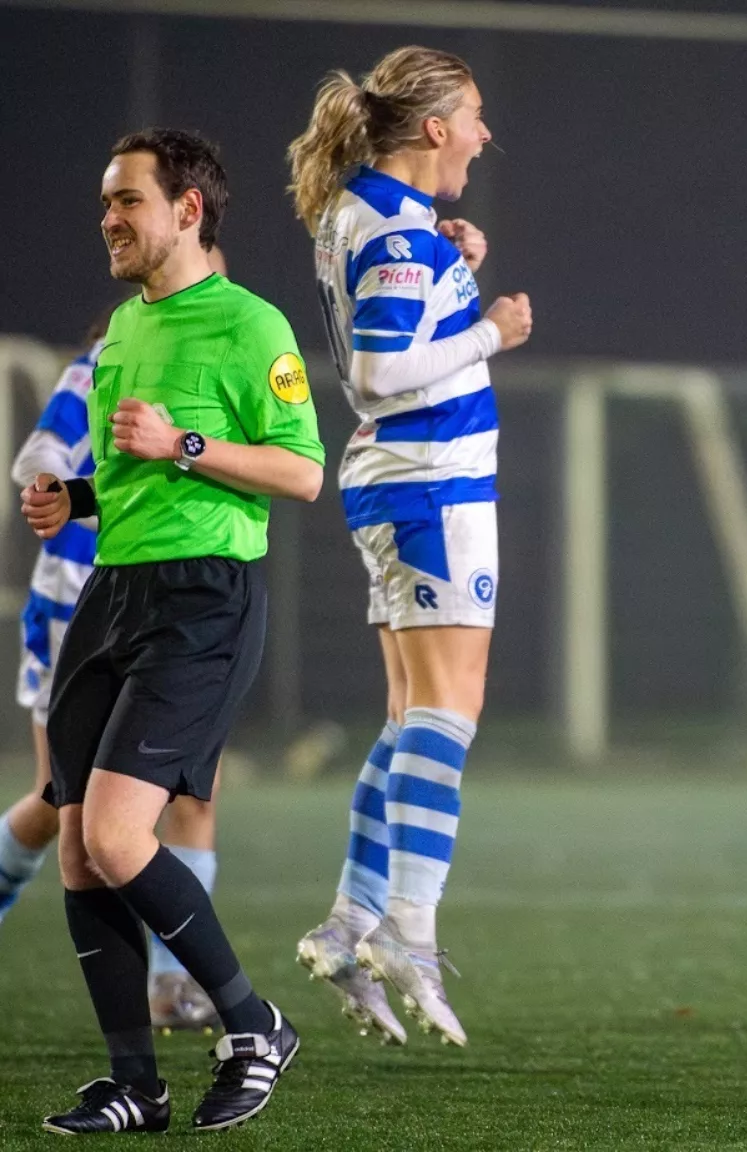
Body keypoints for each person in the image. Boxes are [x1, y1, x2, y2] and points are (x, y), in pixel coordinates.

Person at [20, 128, 324, 1133]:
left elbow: (302, 472)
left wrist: (186, 441)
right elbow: (142, 475)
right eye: (106, 201)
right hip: (112, 594)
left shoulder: (250, 325)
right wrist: (81, 496)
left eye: (127, 202)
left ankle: (254, 1023)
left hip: (205, 601)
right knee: (76, 846)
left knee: (116, 835)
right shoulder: (124, 329)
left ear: (187, 211)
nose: (109, 218)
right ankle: (134, 1085)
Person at [287, 45, 532, 1048]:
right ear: (433, 128)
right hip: (429, 481)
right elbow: (386, 374)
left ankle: (351, 921)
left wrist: (452, 264)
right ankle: (410, 933)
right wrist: (492, 333)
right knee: (449, 713)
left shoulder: (377, 214)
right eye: (472, 115)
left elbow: (393, 307)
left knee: (410, 714)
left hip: (410, 480)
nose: (483, 133)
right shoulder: (395, 227)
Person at [6, 276, 233, 1037]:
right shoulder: (108, 359)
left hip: (176, 608)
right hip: (79, 607)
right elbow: (41, 446)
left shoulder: (216, 361)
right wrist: (54, 484)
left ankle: (175, 989)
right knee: (61, 812)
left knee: (193, 794)